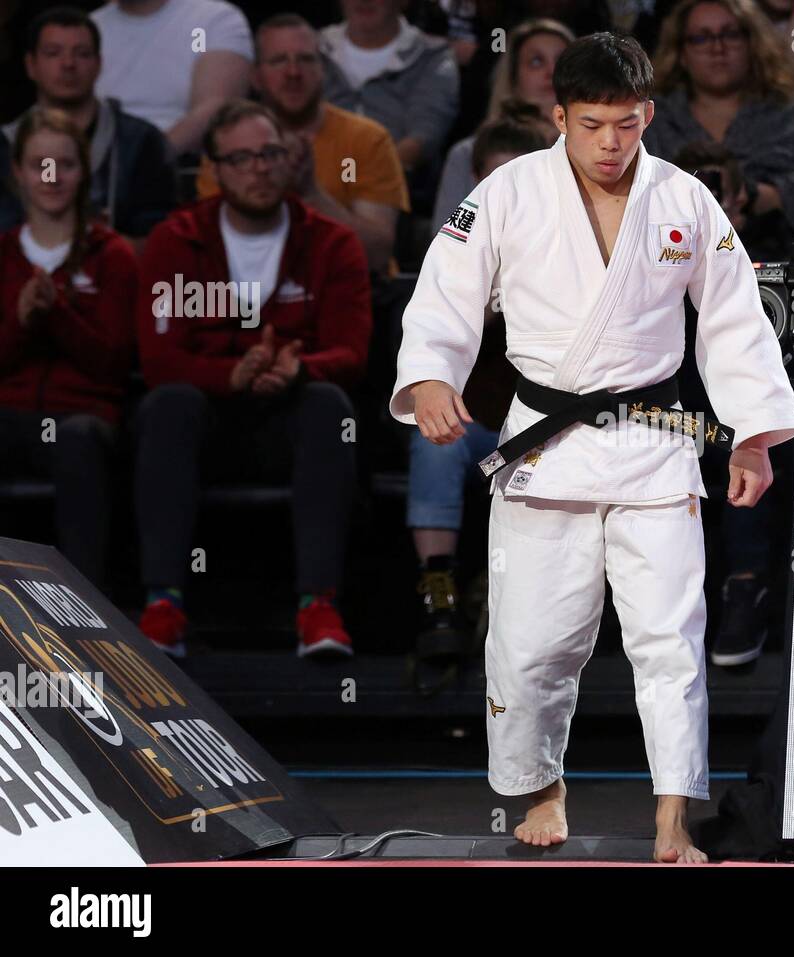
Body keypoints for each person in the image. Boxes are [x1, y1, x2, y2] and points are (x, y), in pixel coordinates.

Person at [390, 33, 794, 862]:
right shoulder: (506, 193)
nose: (611, 144)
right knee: (535, 642)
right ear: (559, 117)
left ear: (647, 113)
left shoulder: (685, 200)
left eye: (626, 123)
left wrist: (752, 437)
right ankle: (543, 787)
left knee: (670, 643)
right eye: (591, 125)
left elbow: (733, 322)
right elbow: (444, 296)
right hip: (547, 448)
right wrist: (433, 376)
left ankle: (673, 817)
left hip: (655, 446)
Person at [134, 100, 371, 659]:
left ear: (290, 160)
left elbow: (352, 352)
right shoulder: (177, 239)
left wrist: (299, 369)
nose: (259, 168)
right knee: (168, 403)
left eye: (269, 154)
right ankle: (162, 604)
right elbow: (160, 360)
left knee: (328, 404)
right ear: (213, 169)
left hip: (291, 426)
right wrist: (230, 375)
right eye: (240, 158)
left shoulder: (332, 242)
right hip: (208, 427)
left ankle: (319, 608)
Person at [407, 116, 547, 658]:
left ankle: (506, 593)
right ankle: (437, 590)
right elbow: (429, 339)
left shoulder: (570, 247)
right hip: (477, 431)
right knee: (432, 435)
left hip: (547, 429)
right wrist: (488, 304)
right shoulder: (456, 250)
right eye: (494, 181)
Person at [0, 108, 136, 590]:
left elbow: (115, 366)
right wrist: (20, 322)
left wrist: (57, 314)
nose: (52, 178)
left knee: (78, 439)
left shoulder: (113, 255)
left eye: (65, 164)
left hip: (82, 419)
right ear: (18, 173)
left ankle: (85, 611)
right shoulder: (3, 255)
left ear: (84, 171)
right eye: (40, 165)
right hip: (11, 416)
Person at [193, 13, 409, 275]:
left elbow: (377, 254)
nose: (293, 72)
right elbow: (214, 248)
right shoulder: (229, 142)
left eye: (305, 60)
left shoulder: (367, 139)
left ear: (323, 70)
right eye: (278, 61)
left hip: (354, 290)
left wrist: (311, 193)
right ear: (256, 77)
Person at [642, 0, 794, 232]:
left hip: (780, 253)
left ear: (752, 43)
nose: (718, 48)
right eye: (701, 38)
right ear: (681, 53)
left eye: (730, 34)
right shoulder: (652, 118)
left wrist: (764, 196)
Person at [0, 6, 176, 246]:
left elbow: (163, 240)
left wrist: (104, 250)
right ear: (31, 65)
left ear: (99, 63)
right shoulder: (5, 145)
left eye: (82, 53)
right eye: (53, 53)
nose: (68, 64)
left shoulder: (140, 141)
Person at [431, 17, 571, 230]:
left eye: (562, 62)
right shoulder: (467, 153)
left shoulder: (603, 152)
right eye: (536, 62)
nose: (551, 72)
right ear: (513, 78)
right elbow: (446, 245)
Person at [319, 0, 460, 201]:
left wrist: (359, 180)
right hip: (316, 188)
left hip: (399, 195)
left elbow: (424, 137)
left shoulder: (432, 56)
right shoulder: (312, 50)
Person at [90, 0, 253, 157]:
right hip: (98, 163)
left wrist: (146, 161)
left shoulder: (207, 20)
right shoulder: (90, 28)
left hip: (187, 167)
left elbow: (213, 108)